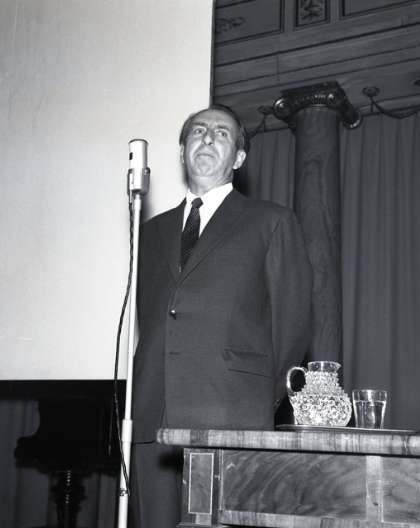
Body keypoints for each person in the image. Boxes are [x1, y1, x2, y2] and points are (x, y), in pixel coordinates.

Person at [131, 104, 312, 528]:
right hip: (152, 414)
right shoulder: (150, 231)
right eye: (198, 131)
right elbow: (152, 319)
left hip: (231, 413)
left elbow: (293, 326)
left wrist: (257, 402)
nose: (208, 138)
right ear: (182, 152)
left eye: (222, 133)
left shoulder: (271, 222)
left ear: (239, 158)